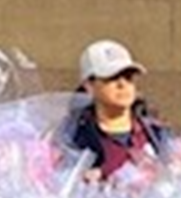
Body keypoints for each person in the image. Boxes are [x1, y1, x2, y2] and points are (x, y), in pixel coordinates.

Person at [63, 38, 171, 180]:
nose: (122, 84)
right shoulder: (73, 136)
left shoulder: (155, 134)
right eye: (111, 77)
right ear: (89, 85)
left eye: (128, 77)